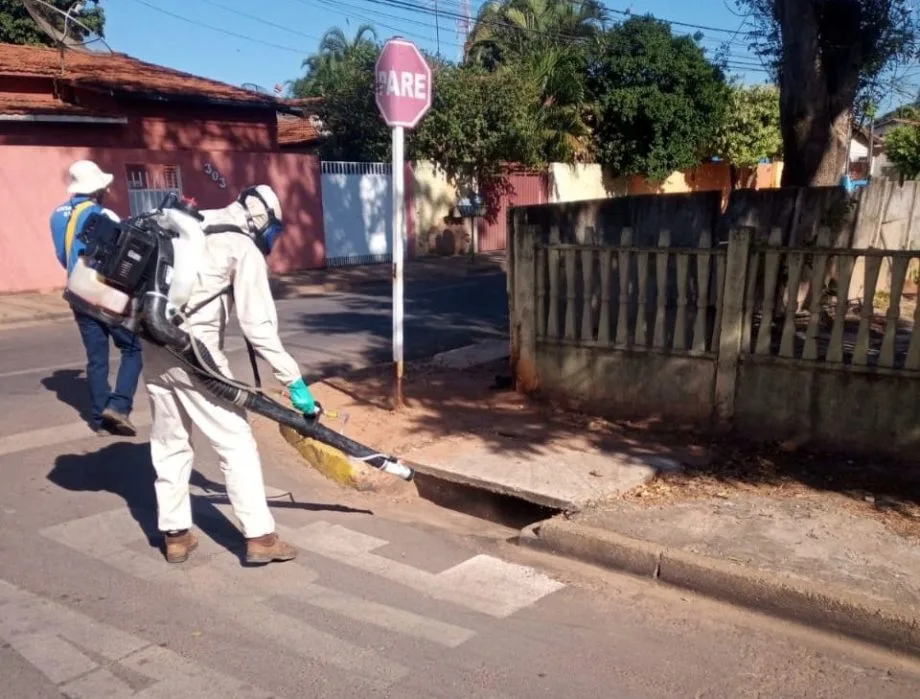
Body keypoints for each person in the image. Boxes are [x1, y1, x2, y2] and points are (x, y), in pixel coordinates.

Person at [142, 184, 318, 565]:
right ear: (261, 219)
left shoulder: (190, 223)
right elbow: (259, 328)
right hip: (196, 353)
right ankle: (261, 538)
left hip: (153, 346)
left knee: (170, 442)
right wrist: (295, 382)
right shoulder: (241, 245)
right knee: (236, 441)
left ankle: (175, 534)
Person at [50, 160, 142, 437]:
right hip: (105, 292)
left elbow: (61, 256)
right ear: (97, 189)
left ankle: (99, 420)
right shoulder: (105, 216)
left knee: (96, 358)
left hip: (76, 290)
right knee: (133, 349)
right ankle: (119, 406)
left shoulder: (56, 215)